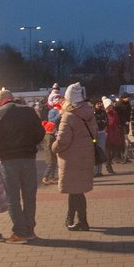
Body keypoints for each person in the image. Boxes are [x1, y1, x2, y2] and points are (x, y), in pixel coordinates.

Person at [0, 89, 45, 244]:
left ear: (0, 102)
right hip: (29, 158)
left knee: (12, 197)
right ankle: (30, 230)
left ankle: (20, 233)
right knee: (29, 196)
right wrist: (30, 144)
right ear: (12, 99)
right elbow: (40, 133)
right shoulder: (29, 112)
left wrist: (0, 149)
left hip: (8, 160)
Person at [53, 83, 96, 230]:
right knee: (75, 190)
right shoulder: (89, 113)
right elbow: (95, 134)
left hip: (71, 159)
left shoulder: (68, 116)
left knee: (76, 192)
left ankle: (82, 222)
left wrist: (54, 147)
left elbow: (63, 140)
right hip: (86, 156)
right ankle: (70, 219)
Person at [41, 102, 61, 185]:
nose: (55, 130)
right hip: (50, 153)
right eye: (54, 129)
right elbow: (49, 146)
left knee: (53, 165)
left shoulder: (48, 135)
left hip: (50, 153)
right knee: (50, 165)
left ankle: (52, 177)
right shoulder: (49, 136)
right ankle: (45, 177)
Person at [103, 98, 122, 175]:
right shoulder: (104, 114)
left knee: (114, 152)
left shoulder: (114, 113)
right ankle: (109, 167)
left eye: (111, 105)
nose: (111, 107)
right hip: (107, 134)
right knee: (108, 152)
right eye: (109, 106)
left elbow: (117, 122)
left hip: (114, 133)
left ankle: (109, 164)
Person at [114, 93, 132, 162]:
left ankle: (125, 155)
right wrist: (124, 121)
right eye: (127, 97)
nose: (128, 99)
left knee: (126, 140)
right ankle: (120, 155)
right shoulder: (119, 105)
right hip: (121, 125)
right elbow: (119, 116)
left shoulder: (127, 104)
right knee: (123, 140)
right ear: (124, 98)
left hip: (127, 124)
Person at [93, 99, 108, 177]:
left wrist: (102, 122)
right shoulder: (92, 112)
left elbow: (106, 121)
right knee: (95, 150)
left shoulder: (103, 112)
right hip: (94, 135)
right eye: (97, 104)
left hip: (101, 132)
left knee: (101, 150)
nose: (99, 105)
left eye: (100, 103)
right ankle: (94, 171)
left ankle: (99, 171)